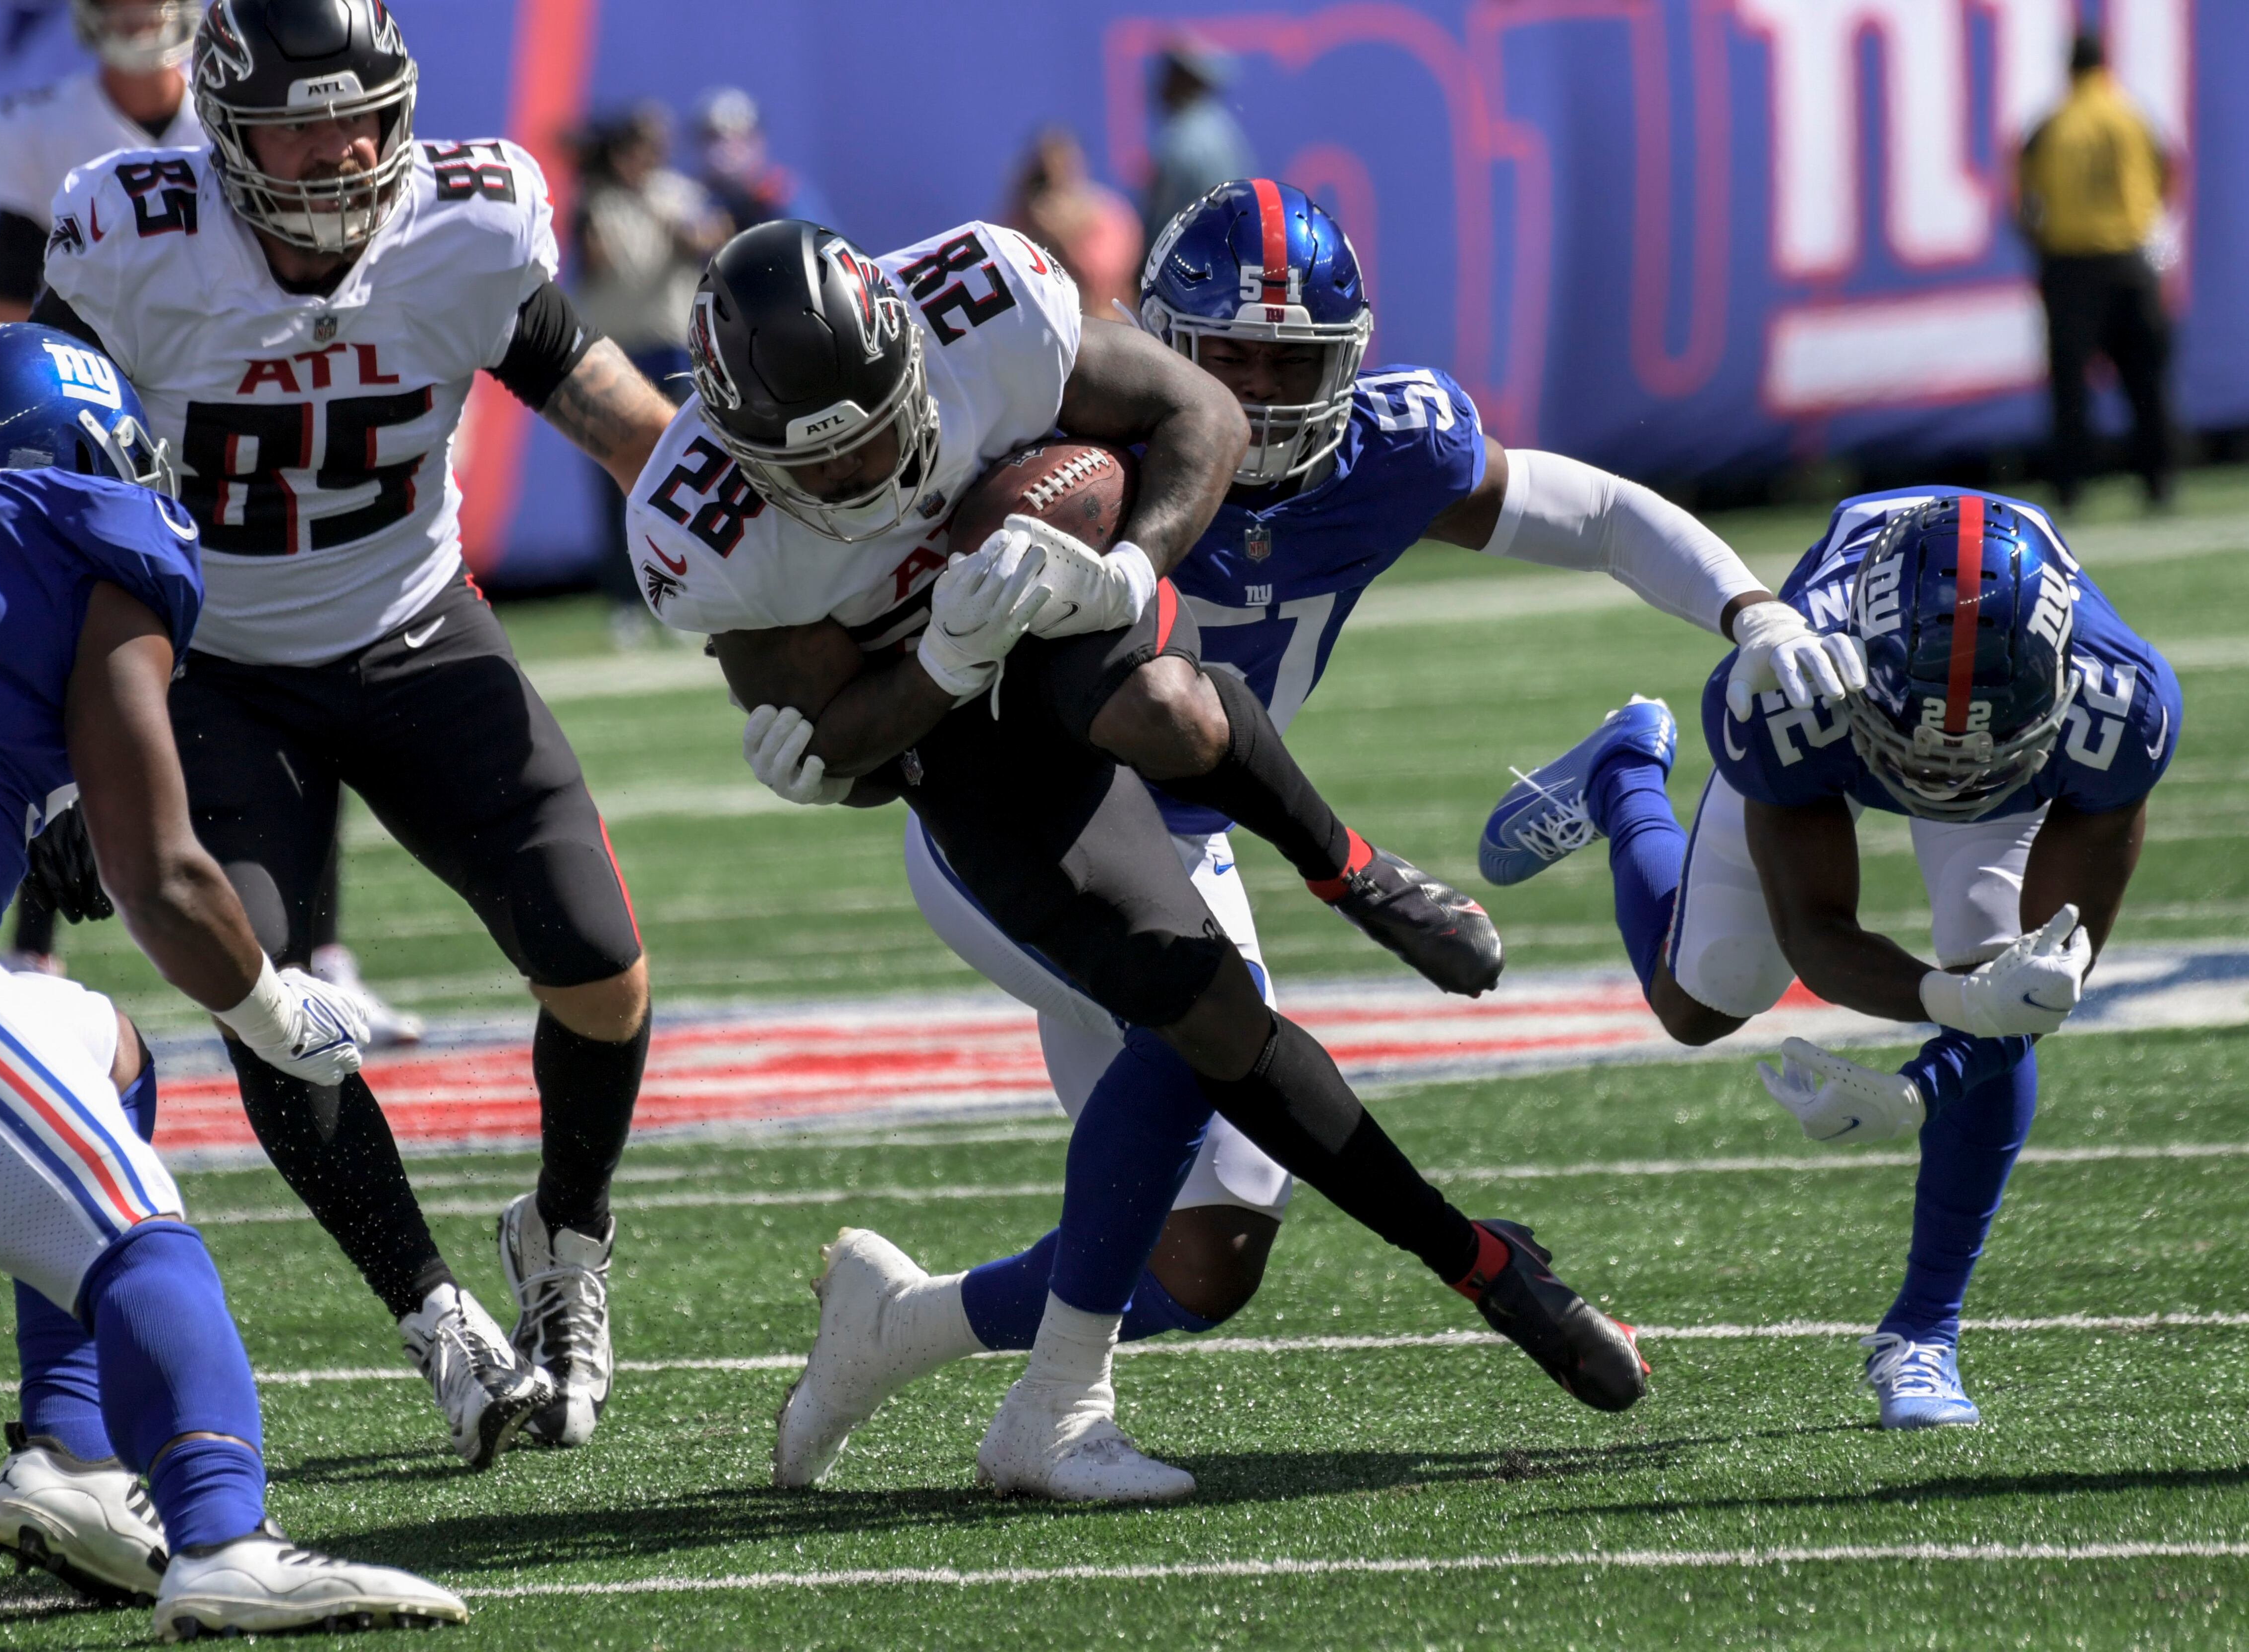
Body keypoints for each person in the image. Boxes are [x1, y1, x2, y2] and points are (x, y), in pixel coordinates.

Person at [762, 181, 1850, 1496]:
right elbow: (885, 618)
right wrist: (837, 748)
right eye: (1228, 358)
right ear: (1159, 345)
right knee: (1190, 1017)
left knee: (1205, 1256)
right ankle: (1052, 1409)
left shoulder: (1393, 449)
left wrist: (1751, 611)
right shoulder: (1059, 437)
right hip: (1017, 827)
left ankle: (897, 1326)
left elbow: (1602, 513)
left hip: (1197, 835)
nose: (1263, 392)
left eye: (1294, 360)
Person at [30, 0, 681, 1469]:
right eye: (299, 125)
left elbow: (602, 402)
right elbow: (31, 487)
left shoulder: (468, 219)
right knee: (253, 978)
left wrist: (756, 511)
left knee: (600, 963)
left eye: (359, 116)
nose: (338, 153)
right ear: (224, 130)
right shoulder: (133, 233)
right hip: (212, 666)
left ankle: (563, 1244)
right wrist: (51, 747)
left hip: (415, 624)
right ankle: (439, 1319)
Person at [0, 326, 462, 1636]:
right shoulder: (79, 522)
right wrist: (269, 1002)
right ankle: (223, 1535)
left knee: (103, 1051)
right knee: (137, 1234)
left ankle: (73, 1458)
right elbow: (164, 878)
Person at [1478, 486, 2178, 1426]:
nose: (1947, 777)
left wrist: (1926, 1080)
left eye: (1978, 750)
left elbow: (2048, 978)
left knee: (2006, 965)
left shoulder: (2117, 704)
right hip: (1847, 726)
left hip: (1980, 743)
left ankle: (1924, 1332)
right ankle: (1623, 777)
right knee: (1705, 1000)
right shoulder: (1789, 688)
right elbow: (1816, 927)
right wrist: (1951, 1007)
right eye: (1929, 748)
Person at [0, 0, 417, 1041]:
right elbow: (11, 320)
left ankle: (320, 950)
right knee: (70, 680)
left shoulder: (259, 119)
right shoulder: (44, 131)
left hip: (251, 431)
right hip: (114, 439)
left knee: (315, 669)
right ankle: (31, 946)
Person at [571, 102, 727, 617]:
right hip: (615, 352)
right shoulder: (596, 202)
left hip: (671, 346)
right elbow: (596, 265)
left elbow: (715, 237)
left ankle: (693, 586)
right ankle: (625, 599)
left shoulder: (674, 194)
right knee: (618, 474)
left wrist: (679, 228)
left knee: (686, 469)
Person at [0, 0, 208, 327]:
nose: (136, 12)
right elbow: (4, 319)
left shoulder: (233, 117)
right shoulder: (40, 132)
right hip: (99, 365)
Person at [2018, 31, 2177, 511]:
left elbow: (2020, 197)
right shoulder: (2131, 116)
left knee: (2069, 389)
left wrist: (2040, 247)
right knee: (2146, 382)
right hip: (2130, 262)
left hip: (2070, 267)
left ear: (2068, 69)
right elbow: (2167, 172)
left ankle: (2069, 489)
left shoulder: (2050, 125)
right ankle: (2158, 482)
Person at [1006, 128, 1144, 323]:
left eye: (1062, 167)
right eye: (1045, 174)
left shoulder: (1109, 215)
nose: (1056, 179)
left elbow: (1102, 284)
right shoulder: (1023, 219)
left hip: (1108, 326)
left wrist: (1067, 238)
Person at [1142, 39, 1254, 248]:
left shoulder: (1180, 140)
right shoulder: (1226, 131)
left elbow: (1164, 224)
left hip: (1193, 262)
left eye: (1171, 75)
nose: (1161, 83)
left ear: (1185, 81)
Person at [690, 86, 838, 236]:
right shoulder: (691, 201)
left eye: (741, 138)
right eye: (715, 138)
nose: (728, 150)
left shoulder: (784, 194)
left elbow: (822, 246)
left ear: (760, 142)